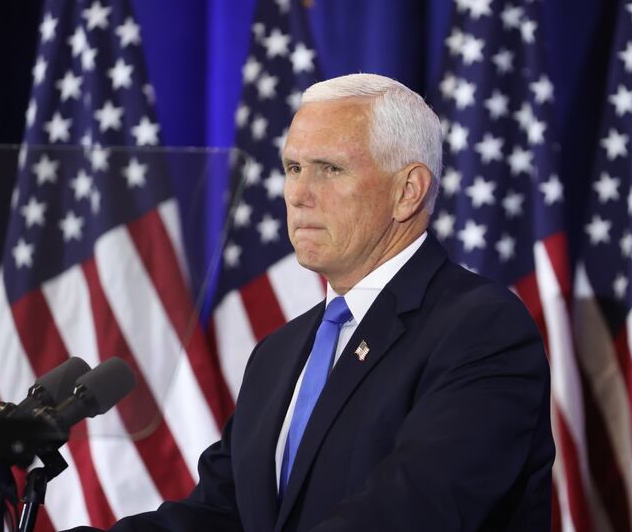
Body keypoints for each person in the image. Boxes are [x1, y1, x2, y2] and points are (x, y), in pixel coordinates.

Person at [70, 73, 554, 531]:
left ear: (408, 191)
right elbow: (221, 515)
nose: (298, 194)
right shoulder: (279, 352)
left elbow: (411, 511)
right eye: (293, 168)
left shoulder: (479, 329)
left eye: (330, 169)